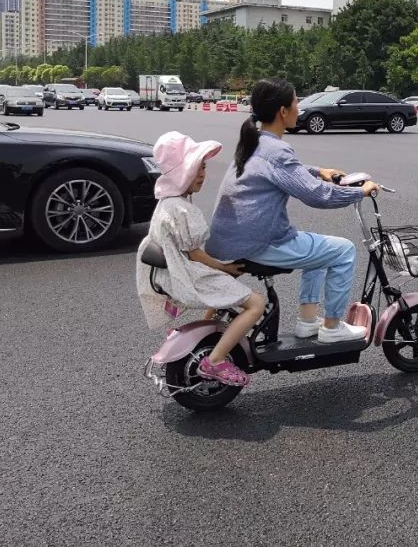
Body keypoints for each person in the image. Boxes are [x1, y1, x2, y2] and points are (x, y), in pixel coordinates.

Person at [207, 78, 379, 345]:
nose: (300, 106)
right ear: (283, 112)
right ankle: (332, 327)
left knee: (320, 248)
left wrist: (318, 171)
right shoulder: (277, 150)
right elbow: (317, 195)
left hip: (228, 241)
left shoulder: (254, 142)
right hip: (258, 243)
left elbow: (285, 170)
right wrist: (361, 191)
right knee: (343, 250)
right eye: (297, 101)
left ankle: (308, 323)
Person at [136, 131, 264, 388]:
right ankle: (215, 361)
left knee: (222, 288)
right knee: (256, 304)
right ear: (181, 172)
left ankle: (209, 332)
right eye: (196, 168)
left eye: (203, 167)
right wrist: (225, 268)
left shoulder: (166, 203)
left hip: (169, 275)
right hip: (185, 275)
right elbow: (195, 254)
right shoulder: (183, 209)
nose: (203, 174)